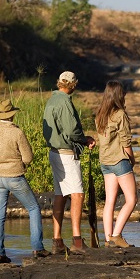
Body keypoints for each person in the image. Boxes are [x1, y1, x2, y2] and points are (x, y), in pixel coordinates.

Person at [0, 99, 51, 264]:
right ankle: (37, 248)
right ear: (12, 115)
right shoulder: (17, 133)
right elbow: (28, 158)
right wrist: (18, 161)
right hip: (15, 176)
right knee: (33, 208)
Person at [43, 71, 96, 255]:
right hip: (66, 153)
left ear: (59, 83)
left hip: (54, 152)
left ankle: (57, 241)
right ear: (73, 85)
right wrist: (85, 139)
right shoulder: (65, 101)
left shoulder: (51, 100)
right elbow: (72, 131)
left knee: (60, 195)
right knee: (77, 195)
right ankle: (77, 241)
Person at [95, 80, 138, 248]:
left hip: (105, 161)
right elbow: (126, 142)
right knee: (131, 199)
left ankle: (108, 239)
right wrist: (132, 160)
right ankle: (117, 235)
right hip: (119, 160)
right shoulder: (120, 114)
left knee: (109, 202)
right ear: (119, 95)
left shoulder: (100, 114)